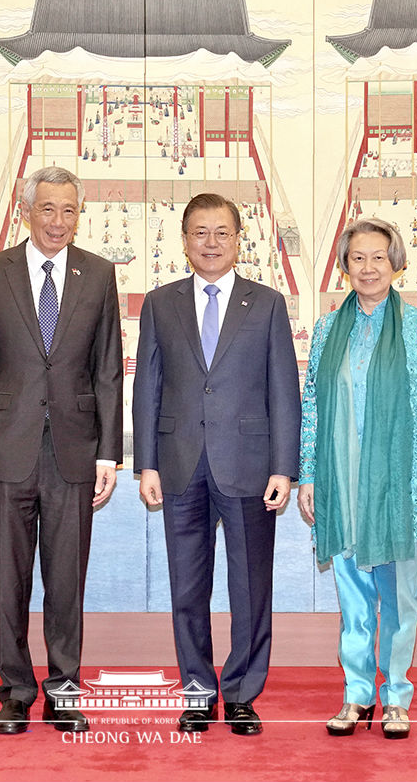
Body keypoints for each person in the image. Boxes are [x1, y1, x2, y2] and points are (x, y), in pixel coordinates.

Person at [0, 166, 122, 735]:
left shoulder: (99, 275)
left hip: (75, 453)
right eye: (48, 209)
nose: (59, 221)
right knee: (8, 580)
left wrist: (108, 454)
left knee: (66, 579)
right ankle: (15, 689)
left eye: (69, 210)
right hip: (4, 451)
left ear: (81, 213)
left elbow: (107, 371)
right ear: (26, 210)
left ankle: (64, 689)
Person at [132, 193, 300, 736]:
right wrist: (147, 464)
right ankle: (198, 692)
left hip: (250, 465)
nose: (210, 243)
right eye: (200, 233)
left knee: (251, 586)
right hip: (180, 465)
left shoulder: (268, 303)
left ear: (237, 239)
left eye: (221, 232)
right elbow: (147, 388)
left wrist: (283, 466)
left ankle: (244, 692)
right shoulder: (160, 303)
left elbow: (283, 390)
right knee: (188, 587)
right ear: (184, 241)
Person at [297, 216, 417, 740]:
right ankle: (357, 695)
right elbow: (312, 407)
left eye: (378, 258)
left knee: (400, 599)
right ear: (345, 266)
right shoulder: (326, 330)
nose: (368, 268)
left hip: (401, 488)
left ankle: (397, 698)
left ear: (396, 263)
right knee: (353, 600)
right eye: (357, 258)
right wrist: (309, 476)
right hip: (342, 485)